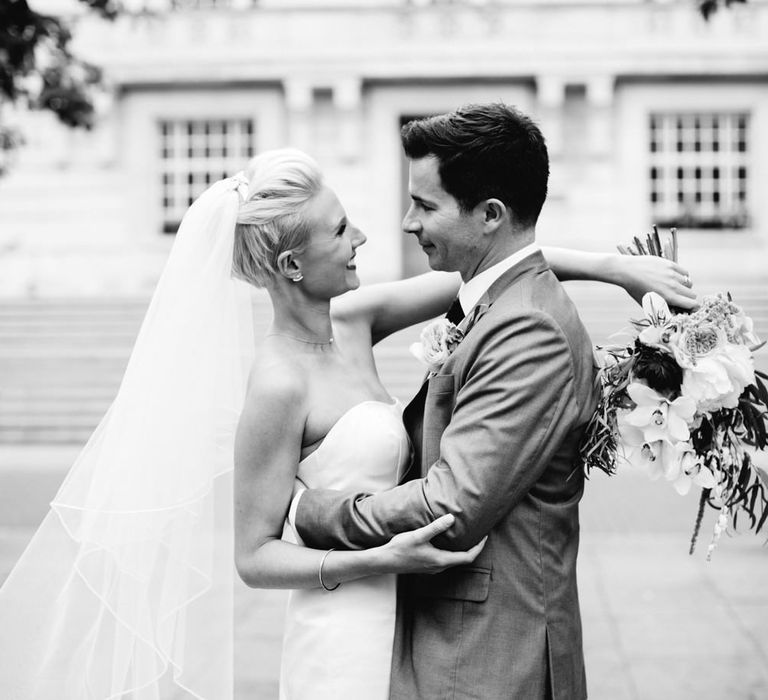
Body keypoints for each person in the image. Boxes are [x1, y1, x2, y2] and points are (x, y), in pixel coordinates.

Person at [0, 142, 695, 700]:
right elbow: (253, 556)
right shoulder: (277, 384)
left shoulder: (355, 319)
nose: (365, 234)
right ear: (293, 263)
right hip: (346, 625)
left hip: (421, 617)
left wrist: (612, 269)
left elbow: (490, 271)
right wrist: (376, 559)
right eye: (341, 230)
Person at [288, 103, 697, 700]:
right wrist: (611, 267)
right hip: (460, 645)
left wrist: (311, 514)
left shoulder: (526, 327)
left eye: (425, 205)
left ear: (490, 215)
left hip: (489, 658)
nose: (405, 223)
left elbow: (451, 507)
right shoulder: (495, 300)